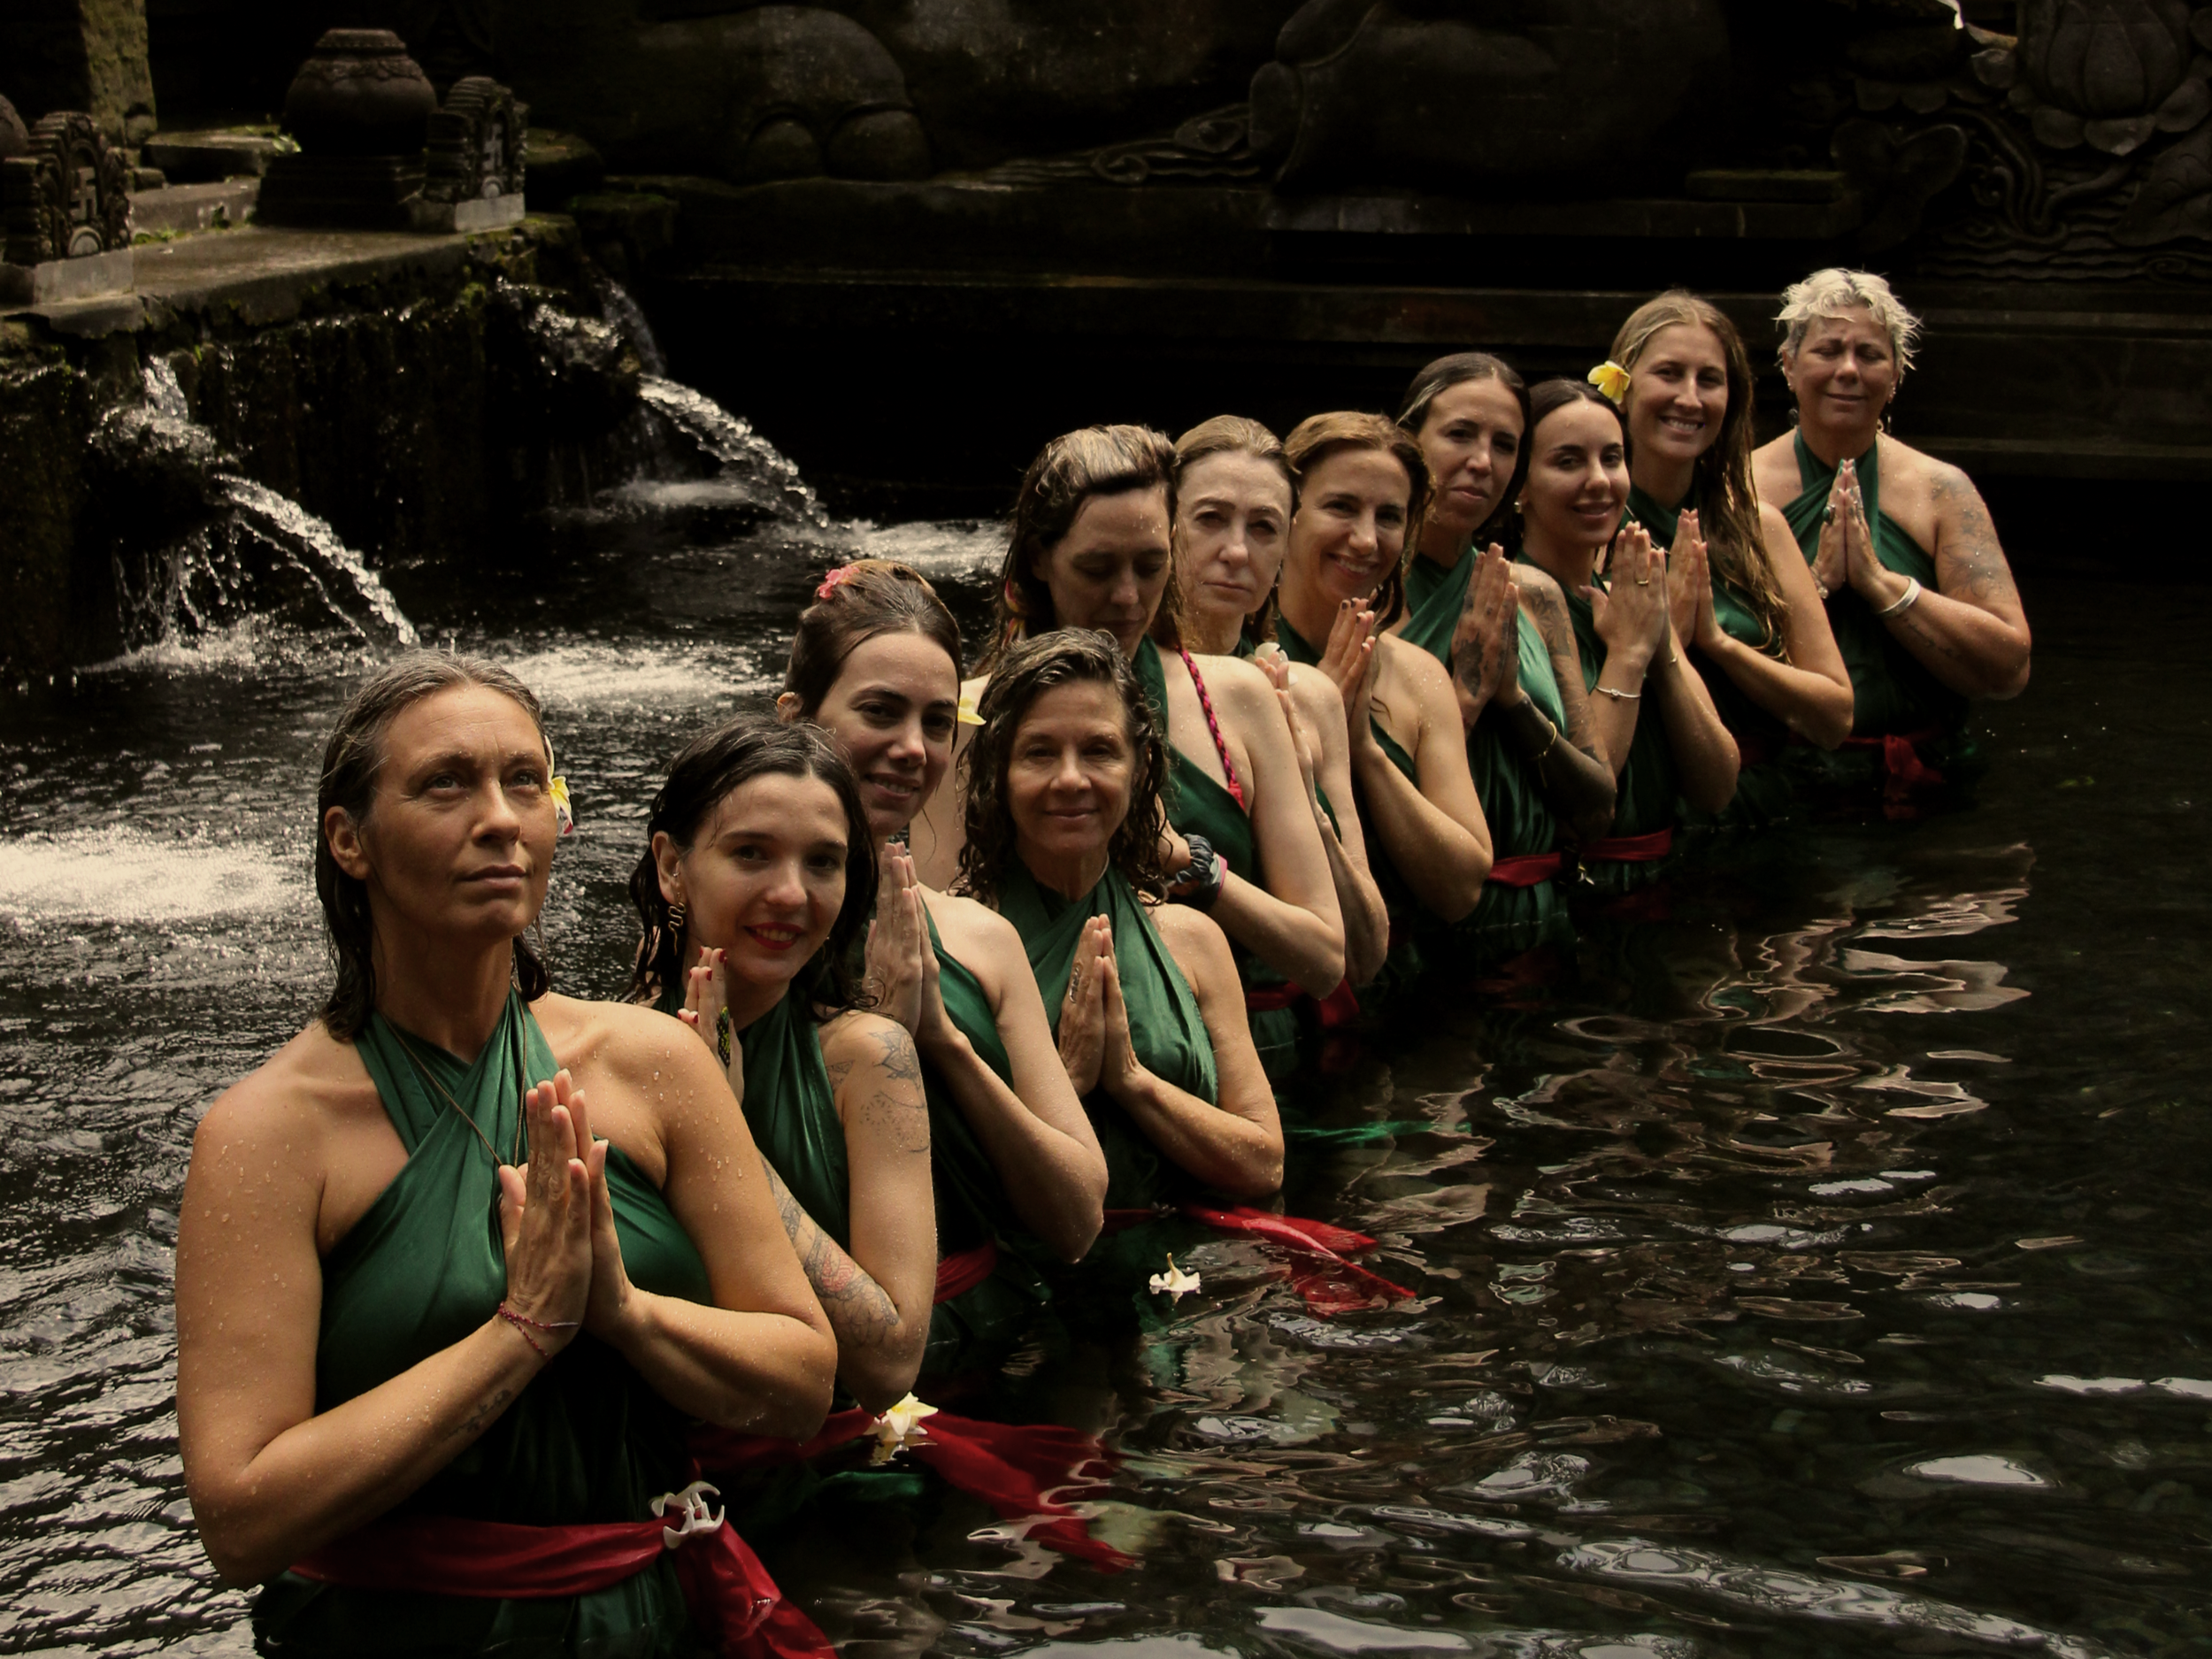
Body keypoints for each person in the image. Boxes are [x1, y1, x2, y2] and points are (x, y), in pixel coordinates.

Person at [177, 653, 837, 1655]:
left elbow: (801, 1385)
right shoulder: (268, 1132)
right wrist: (521, 1332)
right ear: (349, 841)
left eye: (525, 781)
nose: (500, 818)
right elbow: (240, 1520)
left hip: (643, 1626)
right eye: (447, 783)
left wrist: (624, 1312)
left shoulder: (652, 1064)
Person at [913, 425, 1347, 1076]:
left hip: (1250, 1062)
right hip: (1035, 1062)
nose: (1126, 597)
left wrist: (1194, 866)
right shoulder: (969, 716)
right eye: (1096, 568)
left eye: (1150, 565)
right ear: (1038, 558)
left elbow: (1323, 957)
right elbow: (940, 941)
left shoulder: (1239, 698)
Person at [772, 558, 1109, 1364]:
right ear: (796, 717)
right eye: (880, 712)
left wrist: (942, 1040)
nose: (911, 749)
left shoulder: (979, 941)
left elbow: (1078, 1219)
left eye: (934, 721)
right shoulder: (723, 937)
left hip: (988, 1345)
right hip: (795, 1356)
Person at [633, 716, 936, 1416]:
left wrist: (718, 1131)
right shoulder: (610, 1046)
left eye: (823, 862)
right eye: (751, 854)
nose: (793, 893)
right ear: (672, 865)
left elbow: (891, 1361)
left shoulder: (869, 1059)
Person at [955, 628, 1282, 1211]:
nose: (1071, 778)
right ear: (997, 772)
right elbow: (946, 1185)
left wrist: (1132, 1082)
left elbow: (1265, 1163)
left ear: (1140, 764)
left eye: (1100, 750)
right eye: (1039, 752)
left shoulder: (1195, 941)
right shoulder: (956, 943)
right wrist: (1067, 1082)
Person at [1751, 268, 2032, 805]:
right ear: (1788, 365)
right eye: (1828, 350)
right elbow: (1713, 651)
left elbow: (2010, 668)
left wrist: (1885, 587)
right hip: (1790, 781)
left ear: (1897, 373)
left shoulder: (1942, 490)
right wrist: (1819, 586)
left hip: (1933, 771)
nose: (1848, 370)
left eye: (1870, 355)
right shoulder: (1740, 489)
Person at [1395, 354, 1617, 964]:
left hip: (1543, 926)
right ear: (1410, 440)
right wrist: (1460, 705)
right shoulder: (1367, 596)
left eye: (1504, 444)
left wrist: (1513, 702)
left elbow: (1598, 808)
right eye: (1460, 434)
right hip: (1425, 930)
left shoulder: (1534, 594)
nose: (1481, 461)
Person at [1606, 291, 1853, 826]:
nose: (1690, 399)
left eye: (1709, 380)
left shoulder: (1760, 529)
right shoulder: (1589, 526)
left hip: (1761, 812)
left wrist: (1719, 645)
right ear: (1621, 388)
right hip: (1635, 812)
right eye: (1669, 373)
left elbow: (1835, 717)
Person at [1268, 410, 1493, 994]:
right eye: (1341, 507)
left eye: (1389, 517)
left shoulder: (1417, 675)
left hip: (1408, 993)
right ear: (1287, 514)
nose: (1367, 539)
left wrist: (1364, 748)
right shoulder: (1235, 661)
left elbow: (1464, 887)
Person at [1167, 415, 1390, 999]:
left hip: (1288, 1033)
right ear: (1165, 524)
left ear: (1287, 543)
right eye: (1210, 520)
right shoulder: (1109, 678)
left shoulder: (1309, 695)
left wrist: (1308, 792)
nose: (1237, 550)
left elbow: (1364, 956)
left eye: (1263, 527)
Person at [1512, 380, 1740, 892]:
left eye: (1612, 459)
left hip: (1664, 883)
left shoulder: (1630, 598)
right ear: (1518, 486)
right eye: (1568, 462)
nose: (1600, 481)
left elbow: (1718, 786)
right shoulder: (1510, 598)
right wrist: (1629, 655)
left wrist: (1658, 650)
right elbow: (1591, 807)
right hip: (1571, 892)